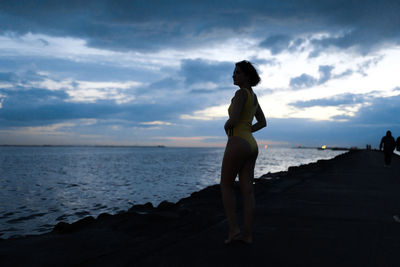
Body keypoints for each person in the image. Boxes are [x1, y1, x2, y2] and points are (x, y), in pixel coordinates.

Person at [221, 60, 266, 244]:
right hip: (251, 144)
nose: (234, 75)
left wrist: (227, 126)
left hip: (238, 141)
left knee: (226, 185)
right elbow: (263, 122)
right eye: (234, 72)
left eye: (238, 72)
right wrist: (248, 131)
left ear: (247, 76)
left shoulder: (240, 94)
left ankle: (234, 230)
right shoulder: (253, 97)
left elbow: (233, 119)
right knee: (248, 191)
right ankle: (248, 235)